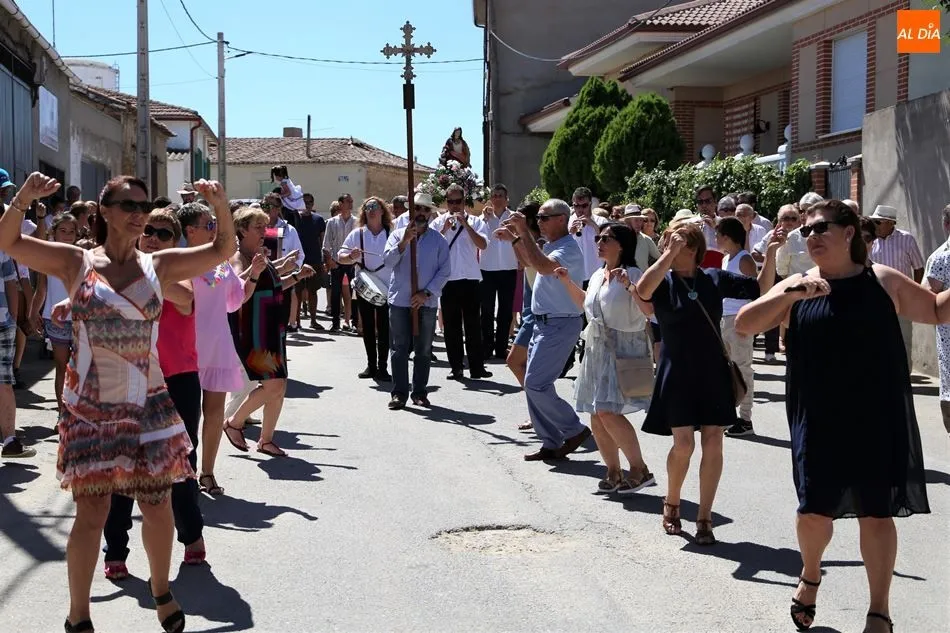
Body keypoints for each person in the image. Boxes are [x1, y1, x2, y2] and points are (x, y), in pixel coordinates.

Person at [0, 172, 237, 633]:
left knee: (158, 505)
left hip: (148, 404)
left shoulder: (159, 266)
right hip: (91, 407)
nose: (138, 214)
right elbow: (8, 241)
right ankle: (79, 614)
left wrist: (220, 206)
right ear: (104, 211)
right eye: (128, 205)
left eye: (143, 207)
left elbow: (221, 251)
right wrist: (25, 198)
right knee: (92, 513)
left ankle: (161, 589)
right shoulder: (76, 263)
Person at [734, 200, 936, 633]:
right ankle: (810, 574)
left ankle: (879, 611)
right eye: (806, 231)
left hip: (876, 416)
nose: (812, 236)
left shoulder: (882, 281)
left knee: (877, 515)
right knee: (813, 513)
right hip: (819, 418)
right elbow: (745, 324)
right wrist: (791, 294)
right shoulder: (800, 283)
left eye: (822, 227)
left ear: (850, 234)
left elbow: (936, 310)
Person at [636, 217, 781, 545]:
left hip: (712, 369)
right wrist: (667, 256)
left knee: (714, 440)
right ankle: (671, 501)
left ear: (696, 249)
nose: (676, 245)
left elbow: (760, 288)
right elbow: (642, 290)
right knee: (684, 444)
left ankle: (704, 515)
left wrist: (770, 254)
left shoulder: (713, 278)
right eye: (670, 240)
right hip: (677, 372)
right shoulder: (661, 279)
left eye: (682, 241)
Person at [103, 207, 206, 579]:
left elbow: (183, 298)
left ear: (174, 241)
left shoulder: (176, 271)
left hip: (177, 378)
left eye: (163, 233)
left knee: (177, 465)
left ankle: (192, 537)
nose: (153, 237)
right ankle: (115, 549)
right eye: (147, 231)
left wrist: (139, 266)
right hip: (129, 379)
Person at [556, 222, 655, 494]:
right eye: (598, 237)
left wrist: (631, 286)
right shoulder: (599, 273)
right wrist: (567, 282)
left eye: (606, 238)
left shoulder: (634, 273)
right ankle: (613, 472)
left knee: (607, 411)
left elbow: (650, 311)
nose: (598, 241)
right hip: (596, 346)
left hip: (624, 346)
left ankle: (639, 468)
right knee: (596, 414)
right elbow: (587, 304)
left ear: (621, 245)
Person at [495, 199, 592, 461]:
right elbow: (530, 261)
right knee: (533, 383)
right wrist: (517, 236)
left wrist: (522, 231)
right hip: (544, 322)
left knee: (536, 384)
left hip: (560, 322)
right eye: (537, 218)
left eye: (543, 218)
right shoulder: (553, 245)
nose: (539, 222)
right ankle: (551, 441)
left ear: (562, 219)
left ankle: (574, 430)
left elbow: (542, 267)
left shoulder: (569, 248)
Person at [222, 207, 315, 459]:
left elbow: (275, 286)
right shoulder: (238, 257)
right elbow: (233, 288)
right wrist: (252, 270)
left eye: (265, 227)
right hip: (254, 331)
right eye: (258, 227)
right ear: (242, 230)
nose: (264, 232)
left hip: (272, 329)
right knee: (273, 386)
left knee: (280, 385)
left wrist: (296, 276)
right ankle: (234, 422)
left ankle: (266, 440)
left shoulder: (260, 256)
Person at [177, 202, 256, 496]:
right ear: (190, 231)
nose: (214, 229)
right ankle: (180, 472)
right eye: (209, 225)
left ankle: (207, 473)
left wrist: (254, 275)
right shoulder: (177, 261)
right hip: (184, 348)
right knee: (184, 416)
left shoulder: (221, 263)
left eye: (215, 224)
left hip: (218, 346)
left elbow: (234, 301)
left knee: (213, 414)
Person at [383, 192, 451, 409]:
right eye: (418, 209)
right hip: (401, 300)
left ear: (430, 213)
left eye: (425, 209)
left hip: (427, 303)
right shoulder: (397, 236)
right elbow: (388, 261)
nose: (421, 213)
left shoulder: (439, 240)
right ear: (412, 211)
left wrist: (426, 293)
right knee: (399, 348)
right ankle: (399, 393)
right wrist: (404, 243)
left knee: (423, 349)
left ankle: (420, 392)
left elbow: (445, 271)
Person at [432, 184, 491, 381]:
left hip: (471, 278)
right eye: (451, 202)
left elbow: (483, 244)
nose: (455, 206)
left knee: (474, 324)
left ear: (465, 202)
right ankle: (456, 366)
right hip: (448, 280)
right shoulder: (439, 222)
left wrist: (467, 226)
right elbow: (430, 248)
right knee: (451, 326)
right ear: (446, 202)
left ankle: (477, 367)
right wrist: (444, 229)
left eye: (458, 202)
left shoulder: (476, 221)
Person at [338, 197, 394, 381]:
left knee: (384, 328)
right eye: (368, 207)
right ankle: (371, 365)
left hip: (387, 287)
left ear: (382, 211)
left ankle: (383, 367)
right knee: (368, 327)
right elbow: (340, 256)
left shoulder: (391, 232)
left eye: (375, 207)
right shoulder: (358, 234)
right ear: (364, 211)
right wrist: (350, 256)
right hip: (364, 286)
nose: (371, 210)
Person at [716, 217, 761, 436]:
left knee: (743, 369)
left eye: (718, 235)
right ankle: (730, 414)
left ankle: (745, 419)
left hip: (740, 319)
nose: (716, 239)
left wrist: (752, 319)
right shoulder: (726, 259)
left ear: (727, 237)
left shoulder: (745, 259)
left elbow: (756, 291)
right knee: (727, 370)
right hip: (725, 318)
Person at [29, 213, 79, 413]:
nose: (67, 235)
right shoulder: (46, 259)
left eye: (71, 232)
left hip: (80, 319)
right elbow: (41, 289)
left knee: (80, 368)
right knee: (62, 366)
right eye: (63, 231)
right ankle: (62, 413)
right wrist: (33, 312)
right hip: (54, 320)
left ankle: (78, 412)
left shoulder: (83, 256)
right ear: (54, 232)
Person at [868, 204, 924, 368]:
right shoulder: (871, 241)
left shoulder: (907, 239)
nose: (874, 225)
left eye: (877, 222)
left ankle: (904, 377)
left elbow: (918, 267)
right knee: (877, 337)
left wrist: (915, 292)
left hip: (902, 298)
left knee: (903, 337)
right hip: (876, 297)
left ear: (890, 222)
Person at [479, 184, 519, 361]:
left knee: (505, 311)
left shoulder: (514, 218)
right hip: (487, 269)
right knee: (486, 310)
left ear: (506, 198)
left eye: (500, 195)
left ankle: (501, 347)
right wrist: (485, 219)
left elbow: (521, 238)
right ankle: (486, 346)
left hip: (509, 268)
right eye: (494, 195)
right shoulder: (483, 218)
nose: (497, 198)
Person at [323, 193, 357, 332]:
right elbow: (326, 244)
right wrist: (329, 261)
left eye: (351, 201)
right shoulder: (332, 222)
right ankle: (335, 322)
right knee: (336, 293)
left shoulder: (357, 222)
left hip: (353, 263)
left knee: (354, 293)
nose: (351, 203)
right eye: (348, 201)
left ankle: (354, 322)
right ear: (341, 203)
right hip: (337, 263)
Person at [296, 193, 327, 329]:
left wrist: (324, 259)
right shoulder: (294, 219)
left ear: (313, 204)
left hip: (314, 259)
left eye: (309, 202)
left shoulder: (319, 220)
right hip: (298, 261)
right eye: (304, 202)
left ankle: (313, 320)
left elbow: (323, 241)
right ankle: (296, 321)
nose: (307, 205)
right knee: (297, 291)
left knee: (313, 291)